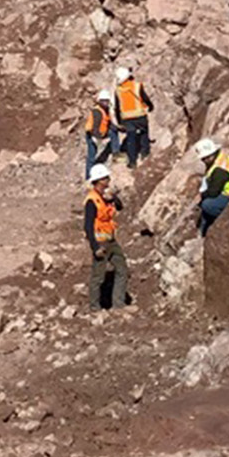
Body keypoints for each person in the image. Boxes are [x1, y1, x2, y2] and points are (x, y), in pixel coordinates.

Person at [84, 163, 128, 310]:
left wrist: (113, 197)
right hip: (100, 243)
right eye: (106, 178)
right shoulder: (92, 201)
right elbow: (88, 226)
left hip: (111, 240)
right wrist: (94, 247)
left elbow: (120, 206)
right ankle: (94, 308)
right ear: (99, 180)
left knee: (122, 270)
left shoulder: (105, 198)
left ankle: (118, 305)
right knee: (98, 277)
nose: (108, 180)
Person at [193, 138, 229, 237]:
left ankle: (223, 218)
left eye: (207, 157)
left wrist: (202, 195)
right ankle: (203, 229)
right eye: (203, 158)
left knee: (207, 205)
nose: (205, 160)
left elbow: (213, 192)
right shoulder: (219, 158)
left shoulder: (219, 170)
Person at [113, 67, 154, 170]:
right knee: (144, 133)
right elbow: (145, 98)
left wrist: (119, 121)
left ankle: (132, 162)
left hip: (127, 119)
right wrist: (151, 106)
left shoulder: (118, 91)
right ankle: (145, 153)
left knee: (131, 139)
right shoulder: (137, 86)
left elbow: (117, 107)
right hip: (140, 115)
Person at [84, 90, 119, 179]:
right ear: (99, 101)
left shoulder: (105, 110)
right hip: (92, 135)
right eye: (103, 101)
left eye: (106, 100)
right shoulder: (97, 111)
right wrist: (98, 139)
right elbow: (94, 127)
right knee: (91, 156)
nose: (105, 102)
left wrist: (120, 128)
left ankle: (116, 153)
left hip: (101, 133)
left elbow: (108, 123)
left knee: (113, 132)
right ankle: (88, 177)